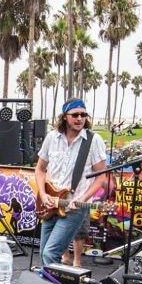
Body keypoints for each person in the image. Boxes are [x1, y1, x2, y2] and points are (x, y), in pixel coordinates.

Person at [34, 98, 108, 266]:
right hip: (50, 203)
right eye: (75, 115)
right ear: (64, 117)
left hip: (74, 207)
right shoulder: (52, 138)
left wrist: (82, 198)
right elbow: (40, 169)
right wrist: (43, 194)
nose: (80, 118)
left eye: (83, 115)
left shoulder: (93, 140)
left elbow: (101, 177)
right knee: (44, 252)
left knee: (51, 253)